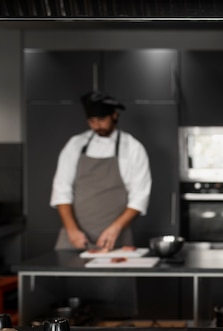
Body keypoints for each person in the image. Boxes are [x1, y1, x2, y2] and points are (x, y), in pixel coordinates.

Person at [50, 91, 151, 251]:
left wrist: (116, 228)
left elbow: (139, 197)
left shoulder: (132, 148)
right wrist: (72, 230)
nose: (97, 126)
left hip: (115, 237)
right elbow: (61, 189)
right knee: (72, 274)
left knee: (114, 276)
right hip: (76, 236)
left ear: (115, 116)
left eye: (102, 120)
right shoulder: (76, 144)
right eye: (92, 121)